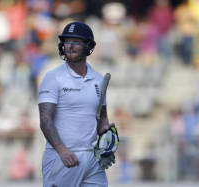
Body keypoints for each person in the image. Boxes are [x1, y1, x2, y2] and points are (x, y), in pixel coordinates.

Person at [38, 21, 118, 187]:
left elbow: (102, 118)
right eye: (67, 41)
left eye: (76, 42)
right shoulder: (53, 77)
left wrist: (107, 141)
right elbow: (45, 119)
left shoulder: (98, 79)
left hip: (92, 158)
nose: (70, 46)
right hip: (63, 157)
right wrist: (61, 149)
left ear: (89, 46)